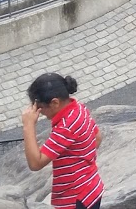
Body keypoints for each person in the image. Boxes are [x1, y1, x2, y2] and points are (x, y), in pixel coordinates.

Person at [21, 73, 104, 209]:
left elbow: (35, 163)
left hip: (75, 200)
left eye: (41, 109)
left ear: (55, 102)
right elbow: (97, 138)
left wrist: (28, 126)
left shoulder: (66, 126)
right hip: (92, 189)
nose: (40, 114)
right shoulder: (79, 108)